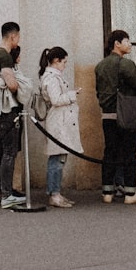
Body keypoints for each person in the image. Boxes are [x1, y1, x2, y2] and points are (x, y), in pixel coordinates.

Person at [95, 29, 136, 205]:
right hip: (125, 115)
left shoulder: (100, 66)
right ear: (116, 44)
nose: (130, 44)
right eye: (127, 41)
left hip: (107, 115)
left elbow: (99, 92)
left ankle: (107, 192)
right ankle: (130, 193)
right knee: (129, 152)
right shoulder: (126, 64)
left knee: (109, 152)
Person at [0, 21, 24, 208]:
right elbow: (12, 84)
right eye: (18, 37)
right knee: (9, 152)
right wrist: (21, 87)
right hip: (7, 110)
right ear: (13, 36)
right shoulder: (5, 56)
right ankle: (7, 195)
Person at [39, 46, 81, 208]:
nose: (65, 65)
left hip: (60, 121)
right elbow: (56, 99)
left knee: (59, 158)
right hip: (58, 122)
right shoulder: (51, 78)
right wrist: (72, 95)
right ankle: (54, 194)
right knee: (56, 159)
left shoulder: (52, 76)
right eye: (64, 62)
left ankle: (56, 192)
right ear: (56, 61)